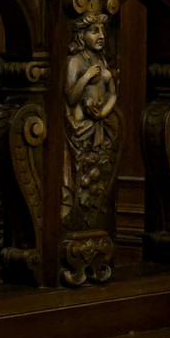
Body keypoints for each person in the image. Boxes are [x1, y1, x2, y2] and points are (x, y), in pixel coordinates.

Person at [63, 12, 119, 223]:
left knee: (99, 170)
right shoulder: (75, 61)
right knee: (80, 170)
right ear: (81, 35)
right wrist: (86, 77)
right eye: (94, 31)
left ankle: (91, 214)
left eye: (103, 31)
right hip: (80, 127)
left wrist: (104, 112)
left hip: (99, 125)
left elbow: (113, 93)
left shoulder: (101, 60)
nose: (101, 35)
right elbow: (71, 96)